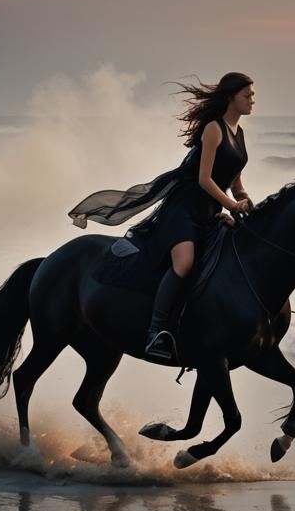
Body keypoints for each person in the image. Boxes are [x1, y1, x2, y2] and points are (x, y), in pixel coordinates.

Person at [68, 72, 255, 360]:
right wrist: (231, 205)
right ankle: (156, 332)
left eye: (252, 95)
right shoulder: (213, 129)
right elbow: (205, 180)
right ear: (231, 97)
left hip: (209, 213)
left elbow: (236, 183)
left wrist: (243, 199)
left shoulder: (238, 135)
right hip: (183, 210)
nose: (252, 100)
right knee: (185, 262)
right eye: (247, 95)